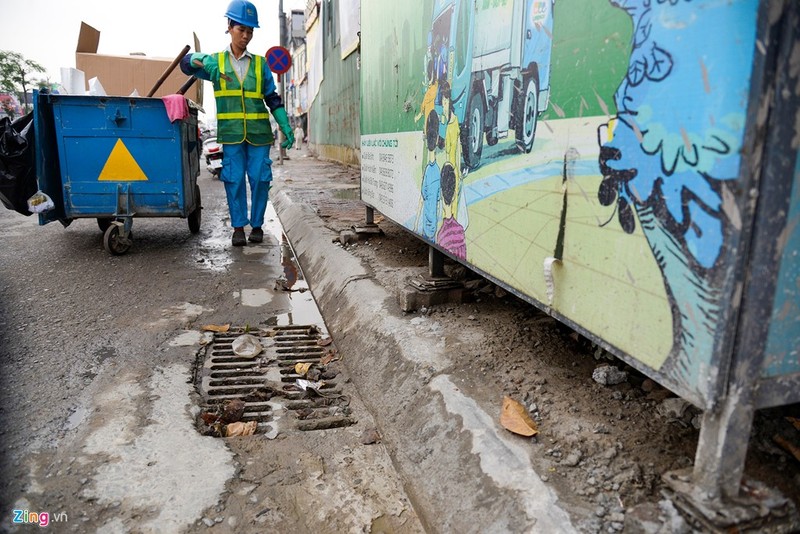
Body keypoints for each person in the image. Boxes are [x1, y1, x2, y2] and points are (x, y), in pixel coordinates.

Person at [181, 0, 294, 246]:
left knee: (260, 179)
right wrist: (204, 60)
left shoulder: (260, 64)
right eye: (241, 29)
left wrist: (285, 126)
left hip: (259, 134)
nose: (246, 35)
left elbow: (272, 98)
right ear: (229, 27)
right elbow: (185, 64)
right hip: (231, 134)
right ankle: (238, 227)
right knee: (233, 180)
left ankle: (256, 225)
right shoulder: (216, 63)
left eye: (250, 31)